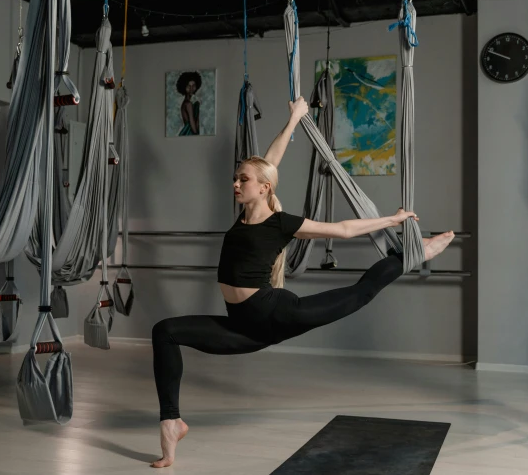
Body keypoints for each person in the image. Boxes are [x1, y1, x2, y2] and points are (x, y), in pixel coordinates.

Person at [150, 97, 455, 468]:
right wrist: (295, 117)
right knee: (165, 330)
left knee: (360, 293)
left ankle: (414, 254)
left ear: (262, 188)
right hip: (244, 329)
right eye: (235, 178)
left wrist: (391, 222)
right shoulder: (244, 214)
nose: (235, 184)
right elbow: (271, 161)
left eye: (242, 179)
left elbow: (342, 230)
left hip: (275, 314)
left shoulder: (280, 223)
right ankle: (172, 422)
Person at [176, 71, 202, 135]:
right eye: (188, 86)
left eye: (193, 86)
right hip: (190, 134)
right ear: (184, 87)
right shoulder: (188, 104)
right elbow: (194, 129)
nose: (191, 89)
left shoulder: (185, 103)